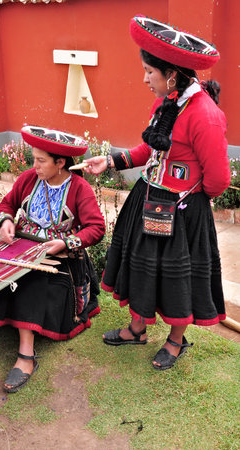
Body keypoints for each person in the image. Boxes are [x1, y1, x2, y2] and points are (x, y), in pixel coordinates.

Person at [84, 14, 230, 370]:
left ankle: (176, 340)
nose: (145, 78)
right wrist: (113, 161)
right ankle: (137, 328)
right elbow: (152, 149)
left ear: (173, 75)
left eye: (150, 71)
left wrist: (191, 203)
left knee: (178, 276)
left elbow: (219, 179)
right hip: (147, 200)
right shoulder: (167, 103)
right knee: (142, 268)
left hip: (181, 211)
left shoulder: (204, 116)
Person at [0, 125, 105, 391]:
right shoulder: (28, 179)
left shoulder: (79, 189)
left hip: (58, 256)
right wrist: (7, 221)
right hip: (20, 247)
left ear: (60, 162)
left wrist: (65, 242)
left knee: (33, 283)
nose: (35, 166)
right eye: (34, 159)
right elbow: (7, 204)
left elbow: (97, 228)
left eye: (41, 160)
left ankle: (26, 354)